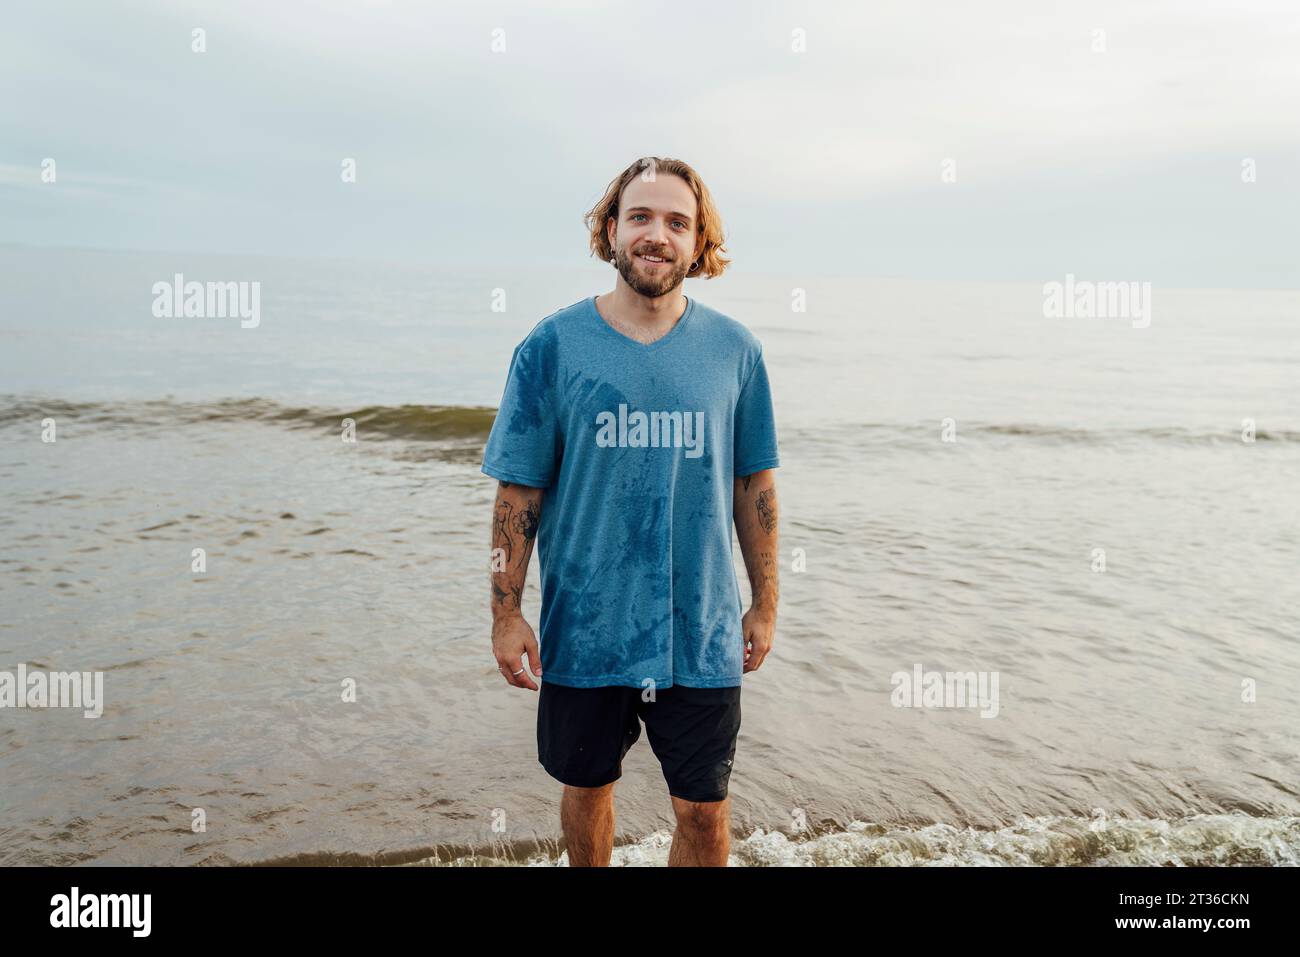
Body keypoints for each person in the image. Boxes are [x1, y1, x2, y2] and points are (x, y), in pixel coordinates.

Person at [481, 156, 780, 866]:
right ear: (610, 230)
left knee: (704, 811)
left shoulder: (735, 351)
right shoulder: (551, 348)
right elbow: (519, 492)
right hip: (586, 627)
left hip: (699, 628)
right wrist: (506, 612)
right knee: (588, 789)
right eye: (640, 216)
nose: (657, 234)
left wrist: (765, 603)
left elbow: (754, 488)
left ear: (698, 241)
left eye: (678, 222)